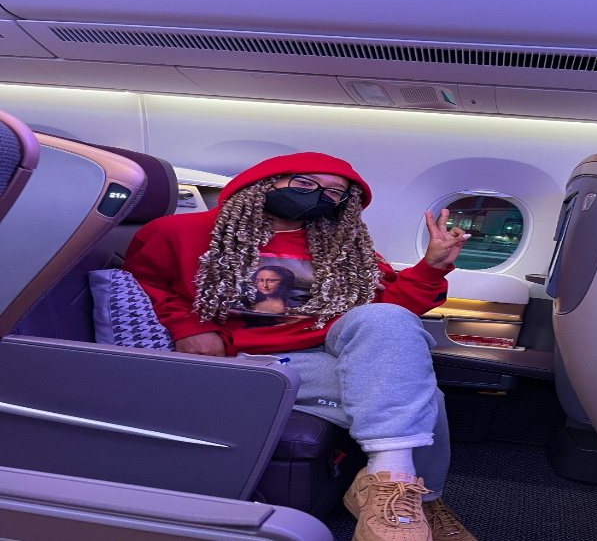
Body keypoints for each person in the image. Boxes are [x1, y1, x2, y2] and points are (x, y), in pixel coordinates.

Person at [122, 152, 477, 541]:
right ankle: (420, 500)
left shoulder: (344, 247)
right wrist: (189, 326)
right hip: (246, 359)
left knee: (389, 325)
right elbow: (144, 284)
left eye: (335, 192)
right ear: (264, 183)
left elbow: (388, 310)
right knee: (424, 396)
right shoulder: (178, 231)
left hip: (322, 351)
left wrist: (431, 267)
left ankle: (393, 486)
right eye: (305, 183)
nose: (319, 195)